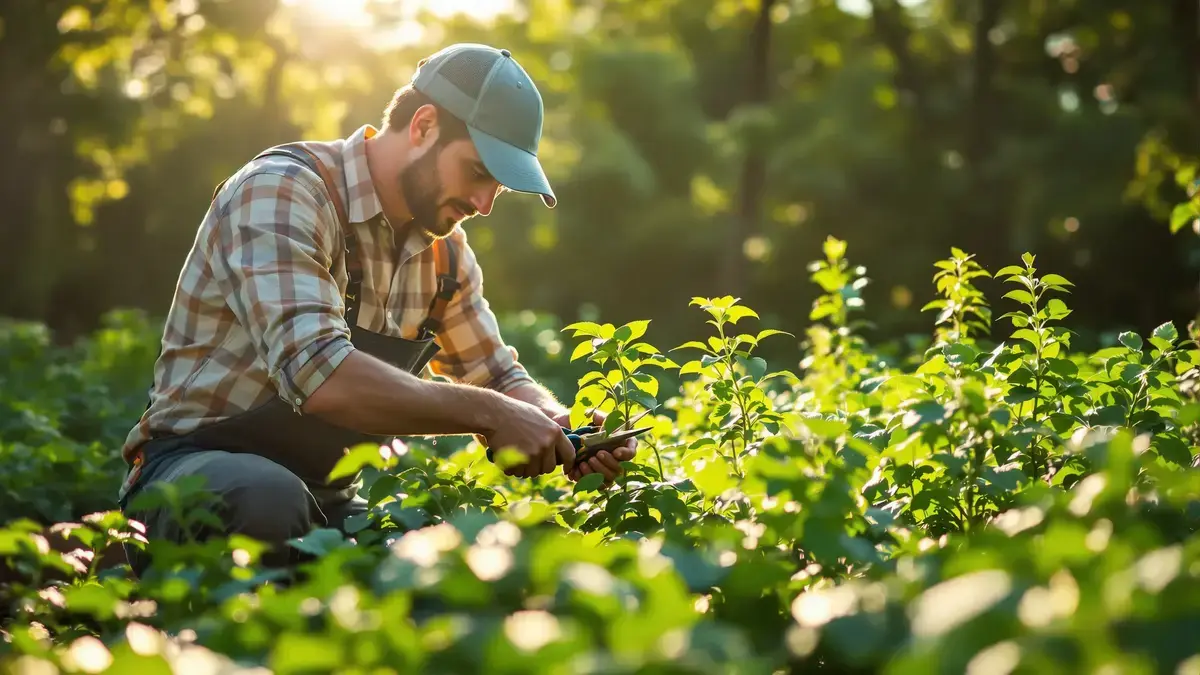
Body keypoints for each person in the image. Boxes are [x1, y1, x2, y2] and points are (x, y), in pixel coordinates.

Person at [116, 43, 638, 574]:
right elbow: (322, 377)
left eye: (498, 188)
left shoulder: (446, 255)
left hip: (328, 499)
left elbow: (498, 376)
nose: (484, 205)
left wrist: (563, 426)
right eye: (478, 172)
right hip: (190, 475)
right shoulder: (282, 191)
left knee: (449, 560)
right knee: (266, 496)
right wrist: (493, 415)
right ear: (424, 126)